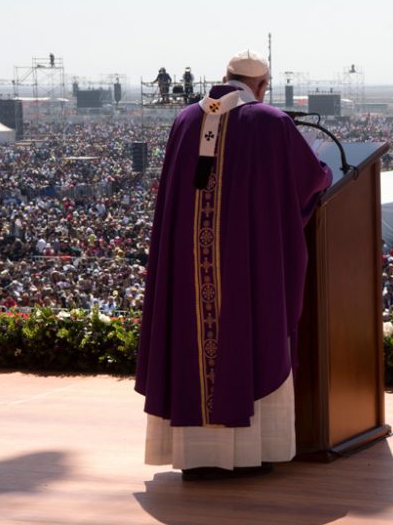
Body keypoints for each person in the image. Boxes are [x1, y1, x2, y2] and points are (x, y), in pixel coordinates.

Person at [135, 49, 332, 480]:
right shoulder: (270, 121)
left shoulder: (186, 120)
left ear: (225, 78)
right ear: (261, 85)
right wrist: (323, 173)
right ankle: (248, 454)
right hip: (246, 265)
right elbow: (310, 180)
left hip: (190, 270)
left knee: (194, 343)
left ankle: (196, 456)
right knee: (251, 337)